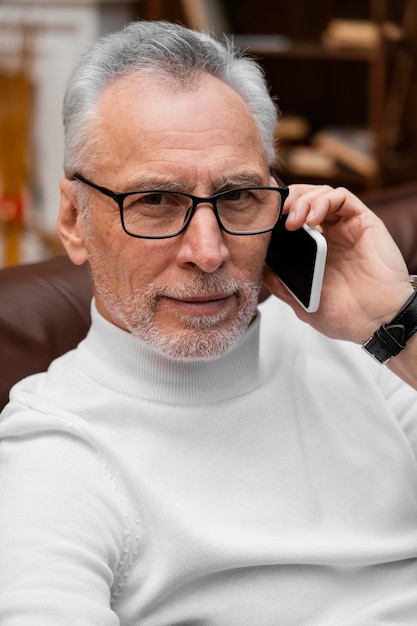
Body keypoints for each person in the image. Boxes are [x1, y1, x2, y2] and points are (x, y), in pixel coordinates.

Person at [1, 19, 417, 625]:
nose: (209, 250)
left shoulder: (363, 349)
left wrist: (394, 321)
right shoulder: (54, 454)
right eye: (155, 200)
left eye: (237, 197)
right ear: (73, 218)